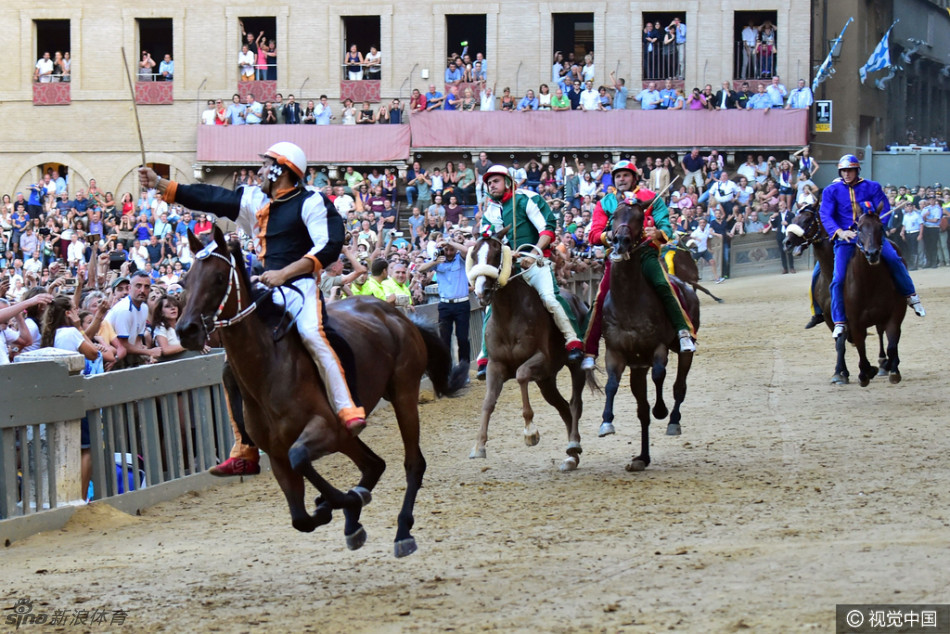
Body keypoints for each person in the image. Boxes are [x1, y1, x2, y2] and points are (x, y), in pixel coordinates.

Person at [138, 141, 367, 439]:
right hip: (265, 283)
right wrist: (161, 183)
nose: (258, 171)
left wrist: (284, 272)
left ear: (279, 170)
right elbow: (212, 197)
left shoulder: (312, 201)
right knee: (233, 348)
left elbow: (328, 247)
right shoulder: (255, 198)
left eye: (264, 165)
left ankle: (347, 406)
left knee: (313, 332)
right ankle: (244, 443)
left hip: (300, 285)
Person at [580, 160, 696, 374]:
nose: (621, 179)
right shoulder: (605, 202)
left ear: (634, 178)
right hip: (616, 257)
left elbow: (665, 227)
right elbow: (594, 234)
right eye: (618, 176)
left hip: (646, 255)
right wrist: (610, 236)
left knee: (663, 285)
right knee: (599, 298)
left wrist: (658, 234)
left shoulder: (652, 198)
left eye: (625, 175)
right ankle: (588, 351)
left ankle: (683, 332)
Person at [474, 165, 585, 379]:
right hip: (509, 266)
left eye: (495, 181)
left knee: (550, 298)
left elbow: (547, 229)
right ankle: (485, 356)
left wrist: (532, 254)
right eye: (488, 183)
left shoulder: (527, 198)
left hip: (534, 261)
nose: (491, 185)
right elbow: (487, 241)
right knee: (491, 306)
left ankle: (573, 341)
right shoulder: (490, 210)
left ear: (507, 182)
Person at [818, 155, 925, 340]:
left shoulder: (872, 186)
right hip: (846, 240)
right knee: (838, 278)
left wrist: (875, 226)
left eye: (850, 170)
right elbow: (825, 215)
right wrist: (840, 232)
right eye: (843, 171)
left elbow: (883, 210)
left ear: (857, 170)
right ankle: (840, 321)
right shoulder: (831, 191)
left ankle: (911, 296)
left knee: (894, 259)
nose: (847, 174)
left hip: (872, 237)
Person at [418, 236, 471, 366]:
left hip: (462, 304)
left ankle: (464, 369)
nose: (448, 253)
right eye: (446, 250)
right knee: (445, 339)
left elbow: (468, 251)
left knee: (463, 339)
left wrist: (449, 242)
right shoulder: (438, 261)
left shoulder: (461, 259)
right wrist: (434, 262)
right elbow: (421, 269)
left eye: (451, 250)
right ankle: (447, 369)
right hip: (445, 305)